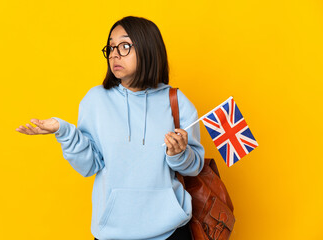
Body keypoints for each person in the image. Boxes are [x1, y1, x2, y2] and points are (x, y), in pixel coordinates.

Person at [16, 16, 205, 240]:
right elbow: (89, 165)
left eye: (124, 46)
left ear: (148, 48)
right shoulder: (95, 100)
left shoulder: (176, 100)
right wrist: (64, 131)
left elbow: (193, 168)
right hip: (112, 232)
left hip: (170, 231)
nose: (114, 54)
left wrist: (179, 154)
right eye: (111, 47)